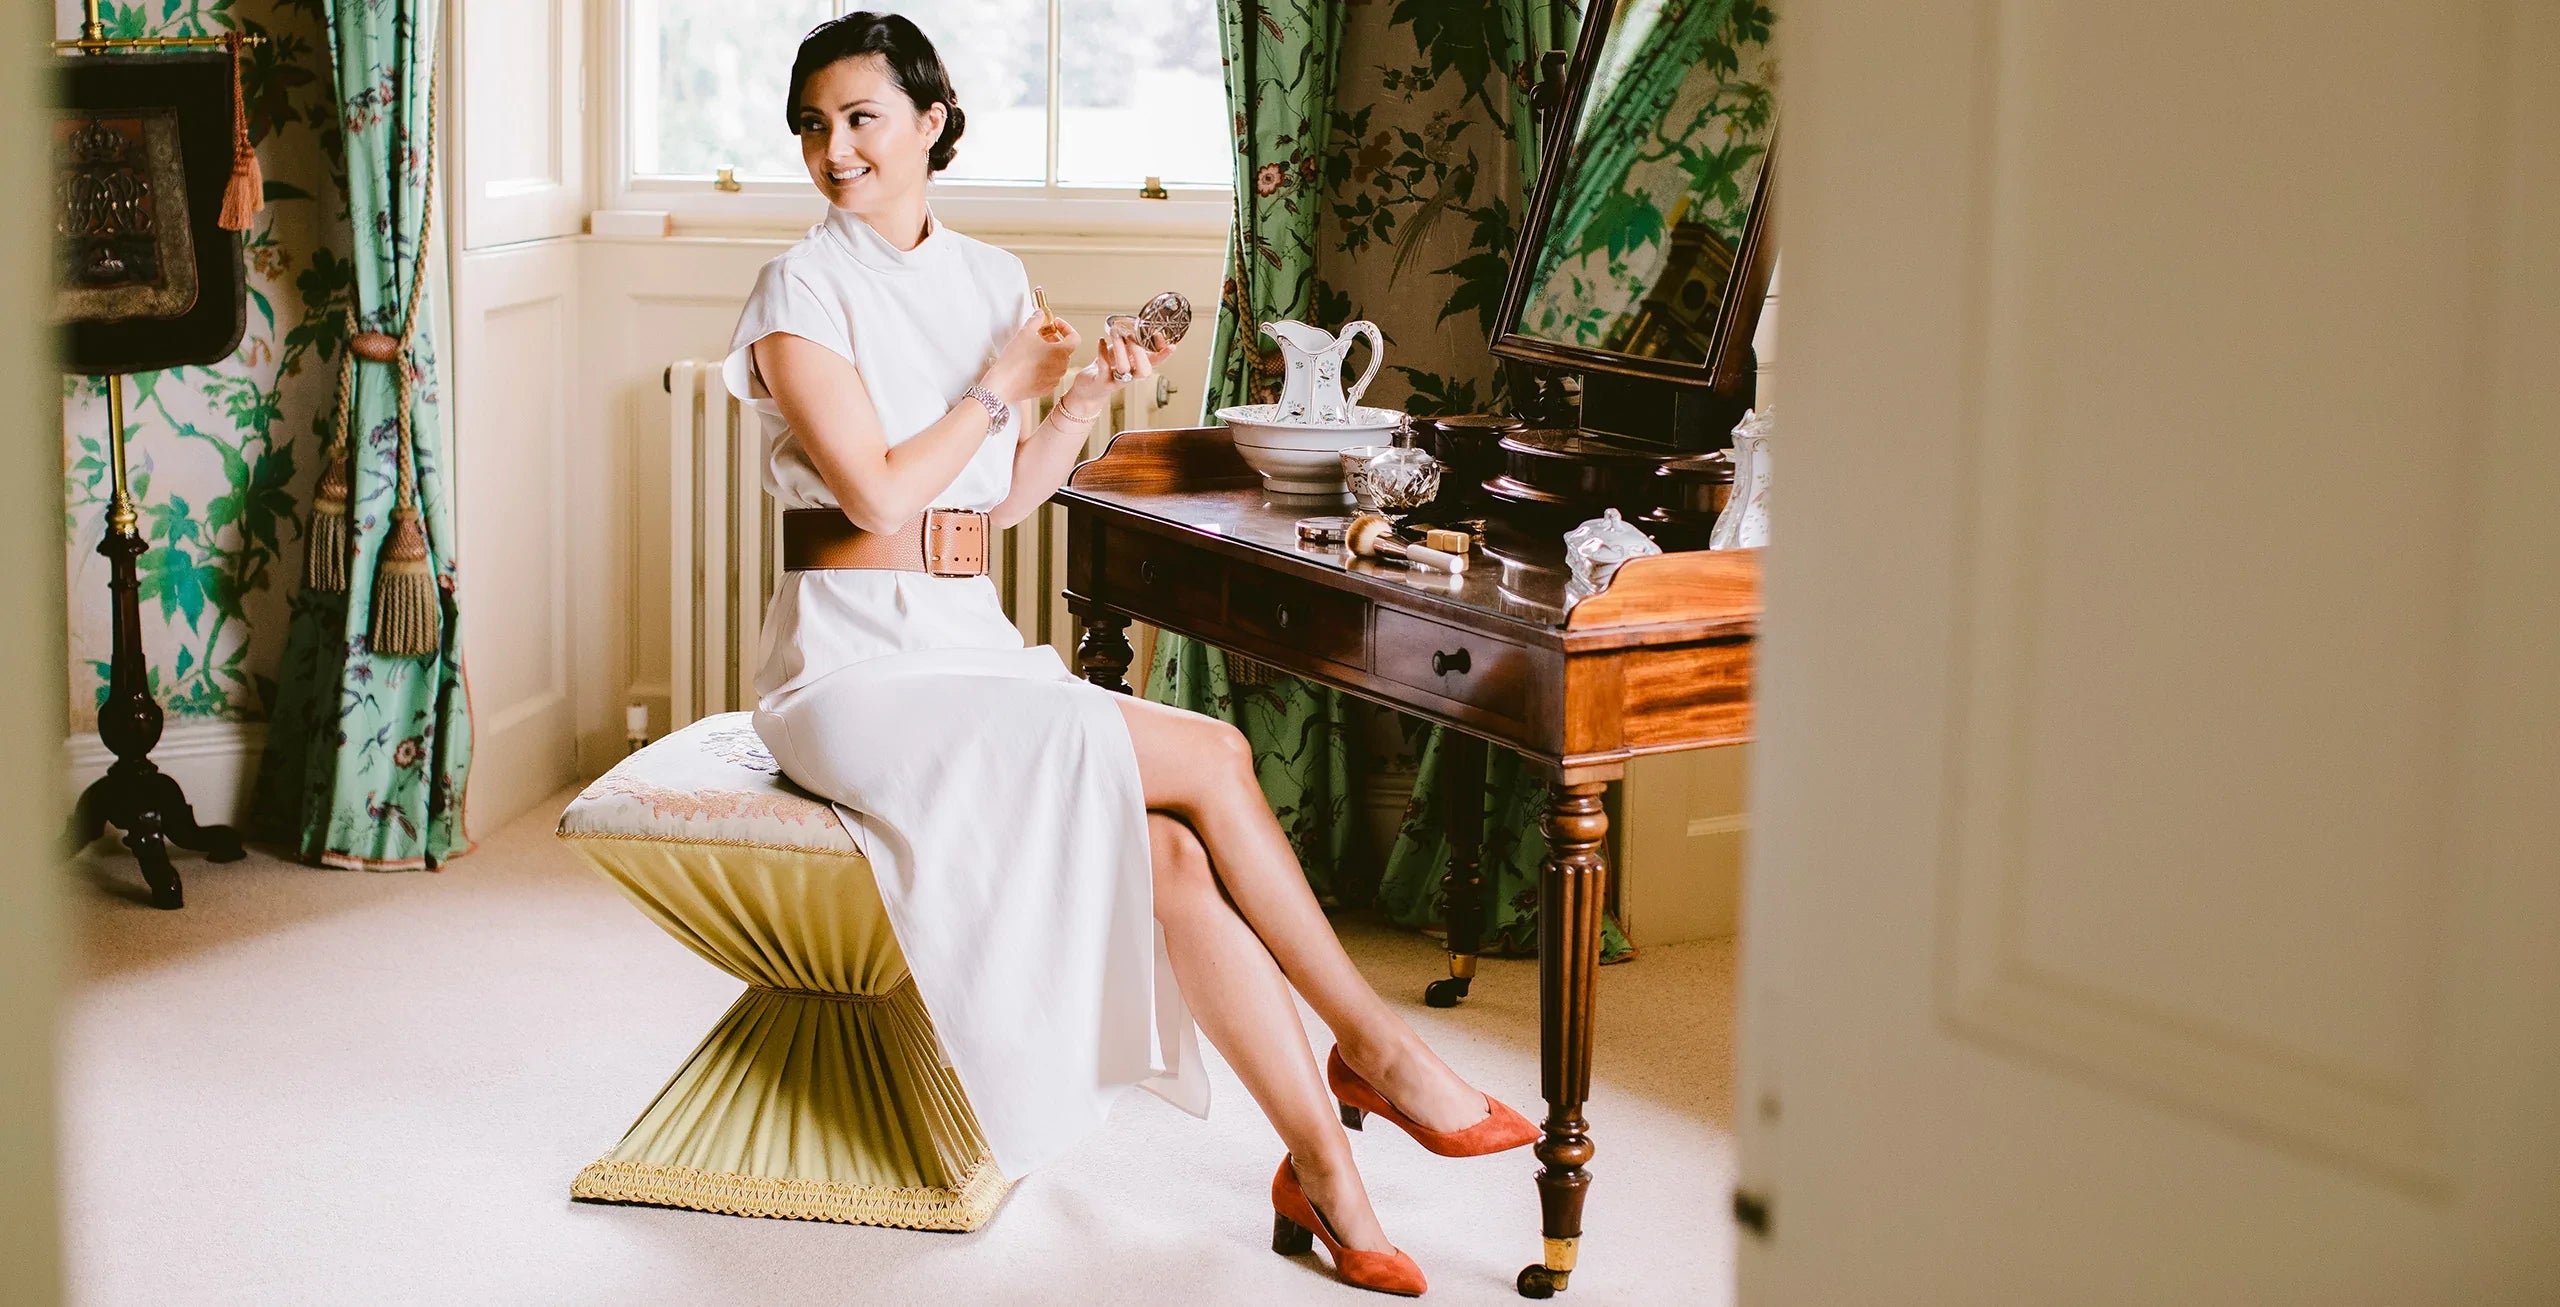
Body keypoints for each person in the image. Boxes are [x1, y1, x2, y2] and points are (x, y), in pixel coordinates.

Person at [730, 14, 1537, 1296]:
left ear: (931, 121)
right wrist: (999, 385)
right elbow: (876, 496)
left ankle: (1325, 1172)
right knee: (1210, 752)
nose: (836, 149)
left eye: (861, 118)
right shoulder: (800, 288)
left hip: (961, 642)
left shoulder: (992, 276)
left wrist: (1081, 399)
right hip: (848, 667)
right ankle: (1377, 1046)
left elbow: (999, 504)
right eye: (813, 125)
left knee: (1170, 858)